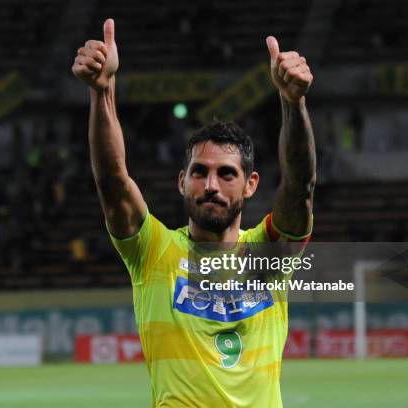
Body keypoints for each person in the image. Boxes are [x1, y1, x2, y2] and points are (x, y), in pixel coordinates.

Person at [72, 19, 316, 408]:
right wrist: (103, 93)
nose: (212, 185)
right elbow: (113, 183)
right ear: (182, 181)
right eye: (199, 172)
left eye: (226, 173)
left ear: (251, 184)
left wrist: (293, 103)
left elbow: (300, 185)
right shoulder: (153, 251)